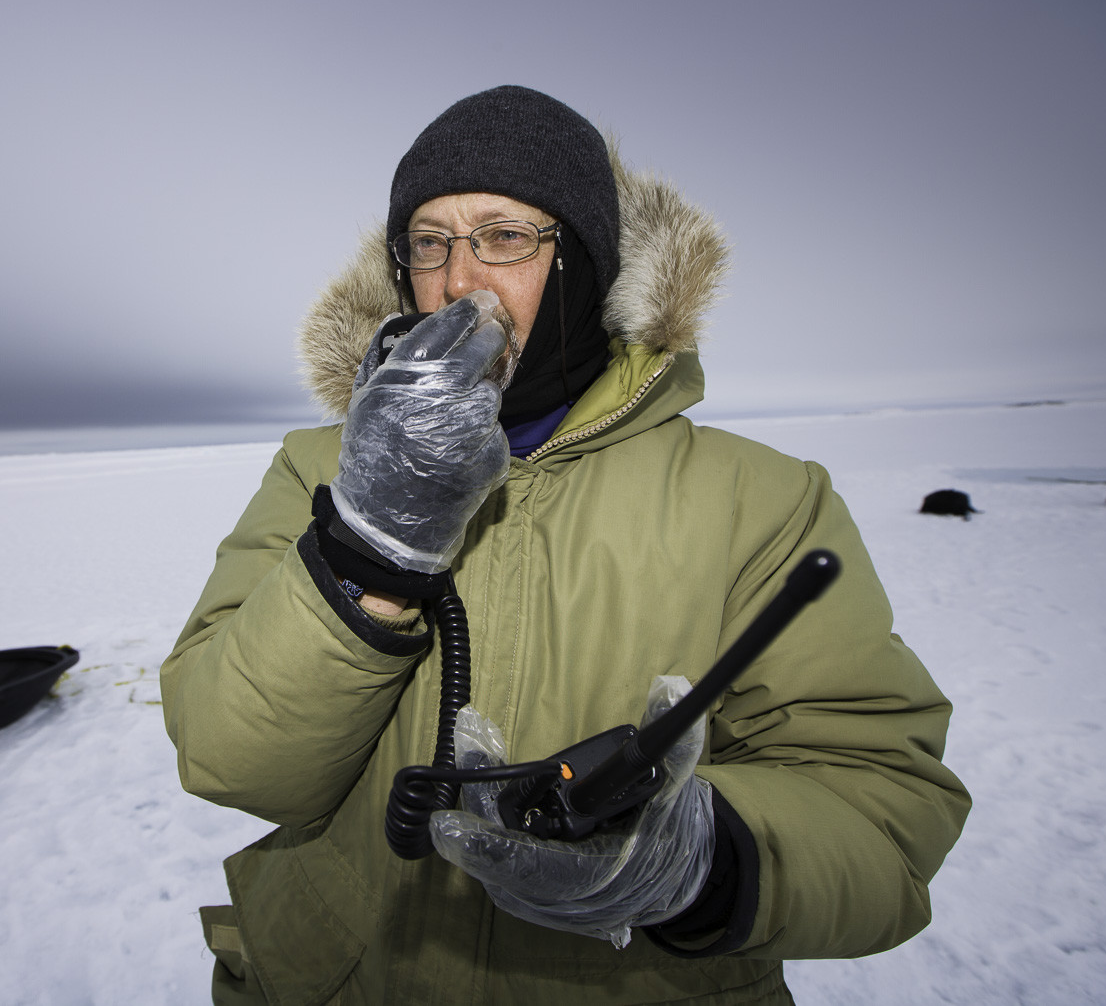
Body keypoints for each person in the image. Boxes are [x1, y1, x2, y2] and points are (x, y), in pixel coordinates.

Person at [162, 85, 969, 1005]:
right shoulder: (319, 468)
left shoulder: (762, 498)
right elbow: (232, 757)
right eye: (429, 242)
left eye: (504, 236)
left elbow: (887, 807)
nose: (458, 281)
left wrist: (698, 863)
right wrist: (369, 539)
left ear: (586, 264)